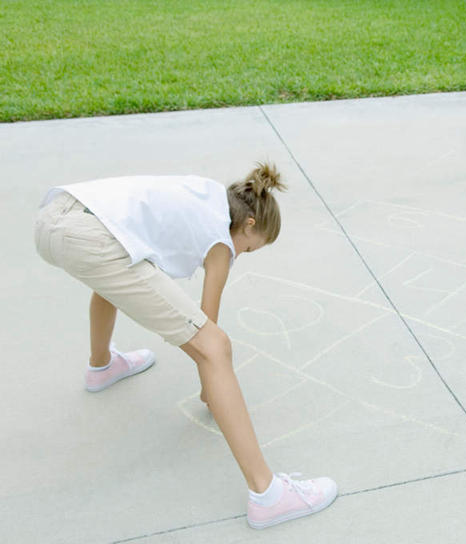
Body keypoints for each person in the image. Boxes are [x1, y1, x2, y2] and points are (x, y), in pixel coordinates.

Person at [34, 162, 338, 527]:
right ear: (249, 225)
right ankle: (268, 494)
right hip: (91, 237)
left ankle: (102, 366)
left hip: (56, 217)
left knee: (115, 274)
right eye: (250, 248)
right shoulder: (222, 243)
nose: (242, 254)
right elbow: (207, 332)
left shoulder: (208, 194)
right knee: (216, 346)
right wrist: (209, 388)